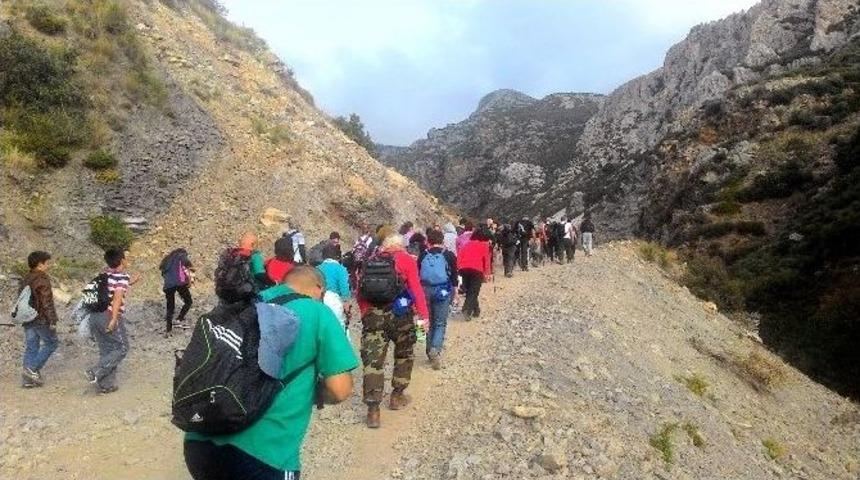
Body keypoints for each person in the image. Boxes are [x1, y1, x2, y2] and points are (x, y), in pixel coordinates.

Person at [184, 266, 358, 480]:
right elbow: (340, 389)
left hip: (200, 443)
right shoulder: (317, 311)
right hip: (265, 455)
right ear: (318, 289)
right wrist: (312, 394)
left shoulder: (243, 304)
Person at [357, 234, 429, 429]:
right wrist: (423, 316)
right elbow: (416, 290)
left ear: (385, 246)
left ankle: (373, 411)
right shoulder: (407, 260)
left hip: (373, 316)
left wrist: (365, 312)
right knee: (404, 355)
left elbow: (360, 291)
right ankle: (396, 396)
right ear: (401, 245)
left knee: (373, 363)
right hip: (401, 316)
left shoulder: (370, 260)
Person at [85, 248, 132, 394]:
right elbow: (117, 297)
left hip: (95, 315)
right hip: (109, 314)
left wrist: (131, 282)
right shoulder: (121, 277)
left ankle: (106, 385)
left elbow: (112, 290)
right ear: (122, 260)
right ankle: (96, 371)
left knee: (107, 349)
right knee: (122, 348)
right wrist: (113, 319)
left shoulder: (104, 275)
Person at [418, 229, 458, 370]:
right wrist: (455, 293)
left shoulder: (423, 255)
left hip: (424, 290)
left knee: (426, 321)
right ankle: (435, 348)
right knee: (440, 322)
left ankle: (428, 351)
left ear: (428, 241)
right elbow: (454, 276)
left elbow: (417, 275)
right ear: (442, 241)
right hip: (442, 289)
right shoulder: (449, 255)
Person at [19, 251, 59, 388]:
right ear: (40, 264)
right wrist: (52, 320)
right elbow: (46, 302)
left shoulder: (25, 278)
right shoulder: (42, 279)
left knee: (32, 347)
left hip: (27, 318)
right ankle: (32, 370)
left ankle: (28, 381)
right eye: (47, 263)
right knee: (52, 343)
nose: (48, 266)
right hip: (40, 318)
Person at [317, 243, 352, 336]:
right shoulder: (341, 269)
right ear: (338, 256)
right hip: (334, 301)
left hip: (319, 300)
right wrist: (347, 308)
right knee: (338, 329)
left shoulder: (317, 268)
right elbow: (344, 289)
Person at [457, 228, 492, 319]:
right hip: (477, 270)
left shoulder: (466, 244)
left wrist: (459, 268)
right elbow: (486, 261)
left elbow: (459, 257)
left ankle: (476, 310)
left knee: (470, 290)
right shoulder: (484, 245)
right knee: (474, 291)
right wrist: (487, 274)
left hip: (463, 269)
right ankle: (466, 309)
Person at [160, 248, 194, 336]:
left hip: (168, 285)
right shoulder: (181, 255)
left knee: (170, 307)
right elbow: (189, 266)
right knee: (189, 301)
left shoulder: (167, 259)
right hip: (179, 282)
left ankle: (168, 330)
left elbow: (162, 272)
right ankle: (179, 319)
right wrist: (189, 280)